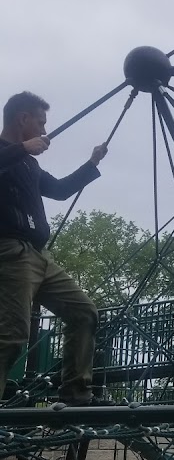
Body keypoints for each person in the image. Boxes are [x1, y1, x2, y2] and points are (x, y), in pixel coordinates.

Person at [0, 92, 108, 407]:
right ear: (23, 119)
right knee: (11, 334)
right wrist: (21, 149)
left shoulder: (30, 166)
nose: (44, 128)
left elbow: (60, 190)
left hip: (38, 255)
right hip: (9, 251)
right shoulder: (13, 153)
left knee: (84, 311)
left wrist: (92, 163)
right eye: (41, 121)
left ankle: (76, 393)